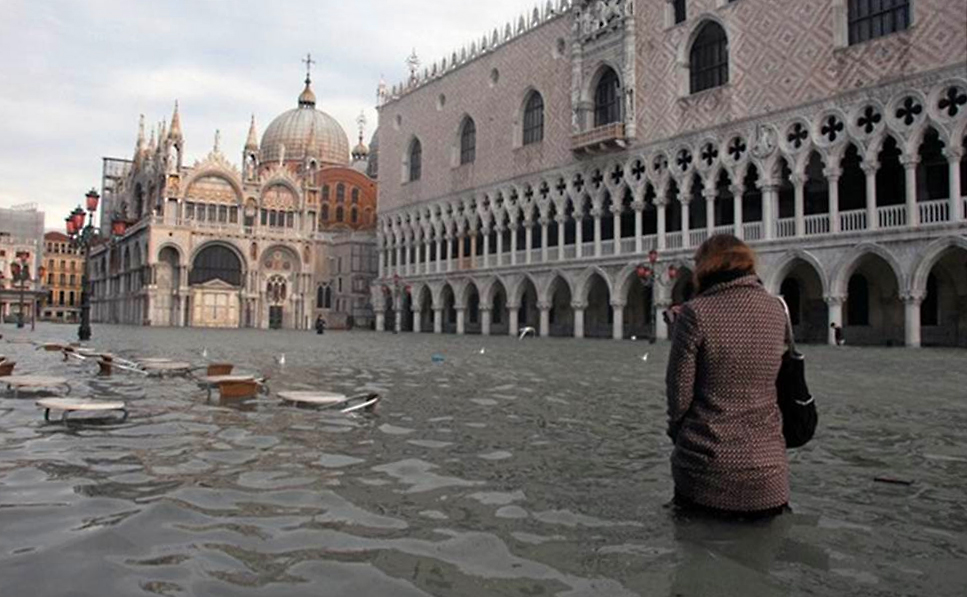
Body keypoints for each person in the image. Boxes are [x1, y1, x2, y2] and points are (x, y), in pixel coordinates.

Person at [665, 234, 790, 520]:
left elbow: (679, 395)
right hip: (770, 476)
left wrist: (678, 434)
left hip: (707, 473)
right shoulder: (777, 309)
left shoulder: (696, 313)